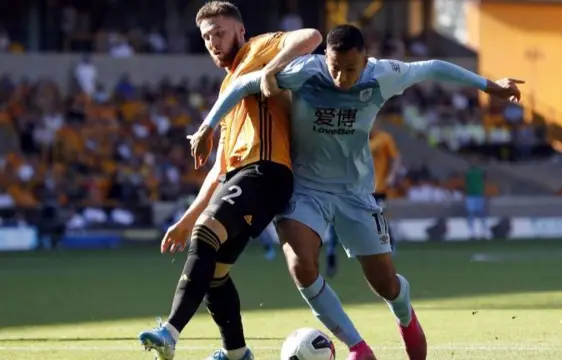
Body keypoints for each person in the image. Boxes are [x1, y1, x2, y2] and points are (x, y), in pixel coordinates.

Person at [189, 24, 523, 360]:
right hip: (306, 189)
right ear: (326, 58)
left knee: (385, 285)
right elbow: (246, 82)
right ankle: (358, 347)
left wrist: (489, 86)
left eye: (350, 69)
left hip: (355, 194)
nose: (341, 78)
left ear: (365, 59)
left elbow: (434, 67)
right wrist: (207, 127)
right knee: (301, 266)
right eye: (335, 67)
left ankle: (405, 316)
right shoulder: (307, 71)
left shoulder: (383, 75)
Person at [137, 2, 322, 360]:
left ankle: (170, 333)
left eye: (219, 32)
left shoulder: (256, 49)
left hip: (267, 170)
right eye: (206, 37)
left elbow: (311, 36)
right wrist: (185, 220)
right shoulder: (228, 89)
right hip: (242, 176)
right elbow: (219, 168)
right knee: (214, 271)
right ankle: (236, 354)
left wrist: (271, 69)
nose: (213, 42)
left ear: (240, 30)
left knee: (207, 235)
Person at [326, 122, 401, 277]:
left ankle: (388, 247)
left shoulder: (384, 138)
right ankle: (332, 252)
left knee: (379, 218)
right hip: (355, 189)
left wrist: (392, 175)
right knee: (338, 220)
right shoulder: (355, 139)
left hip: (378, 188)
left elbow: (396, 157)